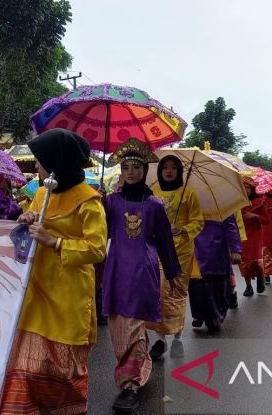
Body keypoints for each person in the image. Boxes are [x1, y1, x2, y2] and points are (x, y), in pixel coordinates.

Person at [0, 129, 107, 415]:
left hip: (69, 299)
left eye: (40, 160)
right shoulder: (42, 193)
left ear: (57, 162)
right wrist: (26, 219)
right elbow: (27, 232)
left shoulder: (90, 202)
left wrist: (56, 241)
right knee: (26, 368)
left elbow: (97, 249)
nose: (36, 166)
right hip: (36, 292)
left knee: (64, 373)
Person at [100, 139, 181, 412]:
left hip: (142, 272)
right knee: (118, 328)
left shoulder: (155, 205)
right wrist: (97, 204)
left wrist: (172, 273)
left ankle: (130, 386)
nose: (130, 171)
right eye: (126, 167)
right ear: (120, 171)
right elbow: (99, 233)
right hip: (116, 271)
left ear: (144, 169)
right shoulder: (110, 202)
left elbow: (166, 242)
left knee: (132, 327)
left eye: (136, 166)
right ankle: (138, 364)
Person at [149, 155, 204, 359]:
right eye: (165, 168)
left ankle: (178, 336)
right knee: (159, 293)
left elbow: (198, 221)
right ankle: (160, 340)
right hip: (157, 251)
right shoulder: (152, 194)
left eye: (173, 168)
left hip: (182, 252)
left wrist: (182, 229)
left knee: (177, 294)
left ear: (179, 172)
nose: (169, 171)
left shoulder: (188, 194)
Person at [190, 214, 242, 333]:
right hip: (194, 250)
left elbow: (231, 227)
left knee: (218, 286)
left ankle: (216, 314)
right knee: (197, 285)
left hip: (217, 252)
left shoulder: (222, 206)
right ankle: (201, 314)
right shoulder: (189, 200)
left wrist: (235, 250)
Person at [239, 179, 268, 296]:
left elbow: (266, 220)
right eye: (243, 188)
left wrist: (255, 216)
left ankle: (260, 278)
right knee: (243, 261)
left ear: (252, 189)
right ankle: (248, 286)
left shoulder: (259, 202)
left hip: (255, 234)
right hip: (241, 234)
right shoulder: (236, 203)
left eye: (248, 188)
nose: (246, 190)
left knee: (255, 260)